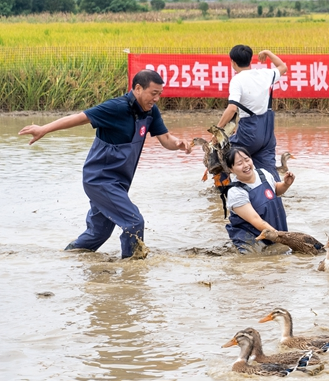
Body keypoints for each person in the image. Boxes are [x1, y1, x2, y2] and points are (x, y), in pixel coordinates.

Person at [18, 70, 190, 258]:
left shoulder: (150, 112)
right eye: (154, 93)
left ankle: (62, 259)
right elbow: (79, 118)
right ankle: (132, 271)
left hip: (120, 183)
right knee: (134, 222)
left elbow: (165, 138)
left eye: (160, 94)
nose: (157, 98)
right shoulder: (115, 107)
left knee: (97, 234)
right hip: (99, 179)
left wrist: (178, 144)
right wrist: (44, 128)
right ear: (138, 89)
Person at [216, 45, 288, 181]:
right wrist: (268, 52)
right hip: (267, 133)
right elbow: (283, 67)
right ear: (250, 60)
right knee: (269, 172)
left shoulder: (237, 80)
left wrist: (217, 130)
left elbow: (232, 108)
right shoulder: (264, 74)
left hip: (249, 133)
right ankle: (276, 192)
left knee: (225, 154)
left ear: (233, 62)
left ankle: (223, 193)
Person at [224, 146, 295, 253]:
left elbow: (274, 190)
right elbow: (255, 219)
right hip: (252, 240)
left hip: (274, 232)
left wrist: (286, 184)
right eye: (239, 163)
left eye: (247, 159)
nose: (246, 165)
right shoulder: (236, 192)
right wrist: (282, 237)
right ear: (231, 169)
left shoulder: (263, 173)